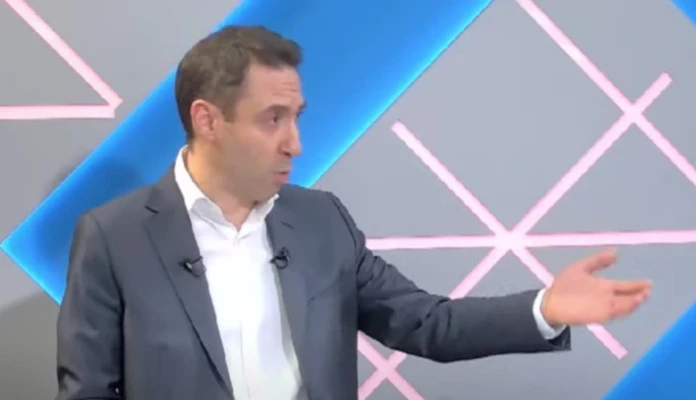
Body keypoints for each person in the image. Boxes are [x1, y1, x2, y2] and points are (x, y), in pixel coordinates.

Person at [55, 26, 651, 400]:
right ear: (208, 120)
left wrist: (544, 309)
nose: (295, 143)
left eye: (297, 117)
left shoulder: (322, 222)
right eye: (272, 120)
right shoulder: (114, 237)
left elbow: (426, 323)